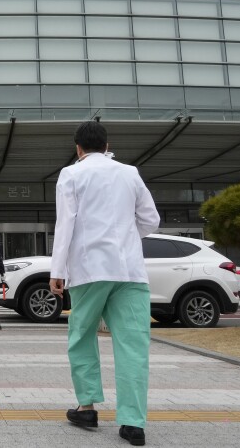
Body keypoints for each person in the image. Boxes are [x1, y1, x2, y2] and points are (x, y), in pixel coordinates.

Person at [50, 121, 159, 446]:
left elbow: (65, 223)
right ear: (107, 144)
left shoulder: (71, 174)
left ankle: (87, 407)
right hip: (130, 271)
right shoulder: (130, 172)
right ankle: (133, 423)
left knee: (82, 335)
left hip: (89, 268)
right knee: (133, 345)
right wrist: (124, 238)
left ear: (78, 148)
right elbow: (151, 220)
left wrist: (58, 270)